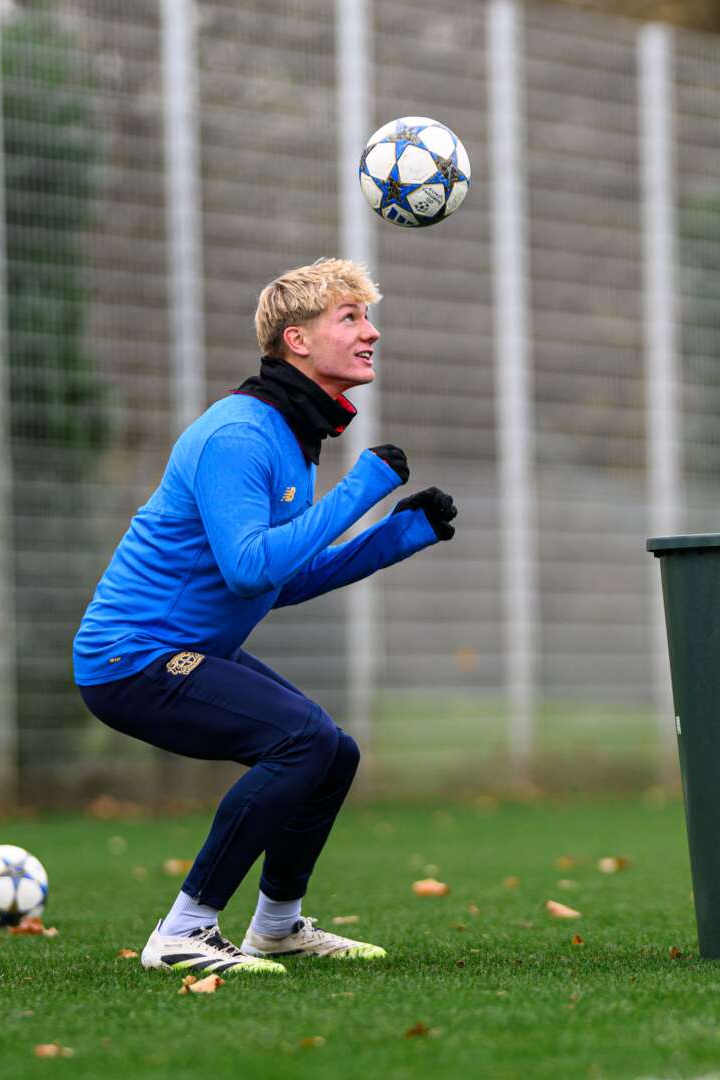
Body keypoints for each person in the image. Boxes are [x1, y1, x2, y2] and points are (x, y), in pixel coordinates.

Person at [73, 258, 459, 975]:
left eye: (368, 317)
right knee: (302, 739)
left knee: (332, 752)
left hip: (185, 650)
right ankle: (183, 930)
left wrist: (397, 533)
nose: (372, 332)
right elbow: (252, 566)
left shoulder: (290, 436)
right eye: (351, 318)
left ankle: (277, 926)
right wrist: (364, 486)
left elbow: (277, 581)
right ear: (297, 340)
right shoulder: (240, 436)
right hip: (131, 659)